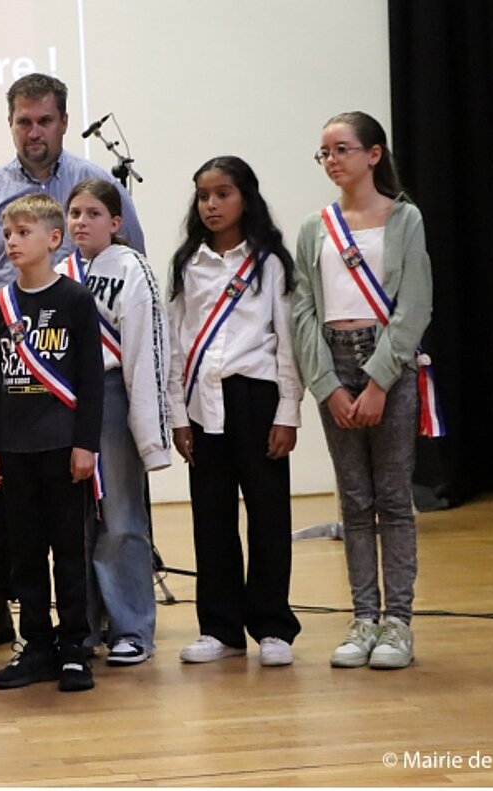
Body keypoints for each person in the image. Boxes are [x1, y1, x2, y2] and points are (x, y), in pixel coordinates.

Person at [0, 72, 147, 648]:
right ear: (10, 123)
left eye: (44, 120)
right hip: (16, 372)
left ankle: (116, 625)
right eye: (23, 121)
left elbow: (131, 262)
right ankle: (17, 615)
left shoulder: (95, 184)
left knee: (102, 508)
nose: (33, 131)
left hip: (85, 374)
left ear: (63, 121)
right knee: (9, 509)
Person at [291, 112, 433, 670]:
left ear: (374, 154)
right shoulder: (315, 226)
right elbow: (302, 307)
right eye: (324, 152)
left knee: (393, 500)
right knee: (354, 500)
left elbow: (415, 303)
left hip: (388, 365)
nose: (332, 160)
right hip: (334, 358)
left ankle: (397, 623)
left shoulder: (405, 219)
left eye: (342, 149)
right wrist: (325, 384)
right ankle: (363, 618)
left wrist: (378, 379)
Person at [167, 156, 303, 668]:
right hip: (204, 403)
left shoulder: (269, 262)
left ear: (245, 196)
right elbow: (179, 345)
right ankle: (219, 627)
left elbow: (286, 343)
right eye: (203, 195)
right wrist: (178, 415)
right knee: (211, 516)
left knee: (268, 514)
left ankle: (272, 625)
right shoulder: (189, 264)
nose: (211, 204)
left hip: (257, 397)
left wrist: (288, 411)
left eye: (223, 194)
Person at [0, 194, 103, 692]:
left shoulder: (74, 300)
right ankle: (36, 646)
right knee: (24, 554)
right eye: (8, 234)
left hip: (61, 447)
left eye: (24, 232)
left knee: (67, 552)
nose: (12, 241)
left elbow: (90, 379)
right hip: (14, 450)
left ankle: (75, 647)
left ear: (54, 239)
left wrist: (85, 443)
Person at [61, 178, 172, 666]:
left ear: (115, 222)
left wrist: (149, 427)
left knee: (122, 516)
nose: (81, 222)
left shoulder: (132, 269)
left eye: (92, 213)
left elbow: (146, 351)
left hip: (113, 398)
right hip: (64, 406)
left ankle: (132, 628)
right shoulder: (59, 271)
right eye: (74, 213)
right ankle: (83, 625)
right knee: (75, 522)